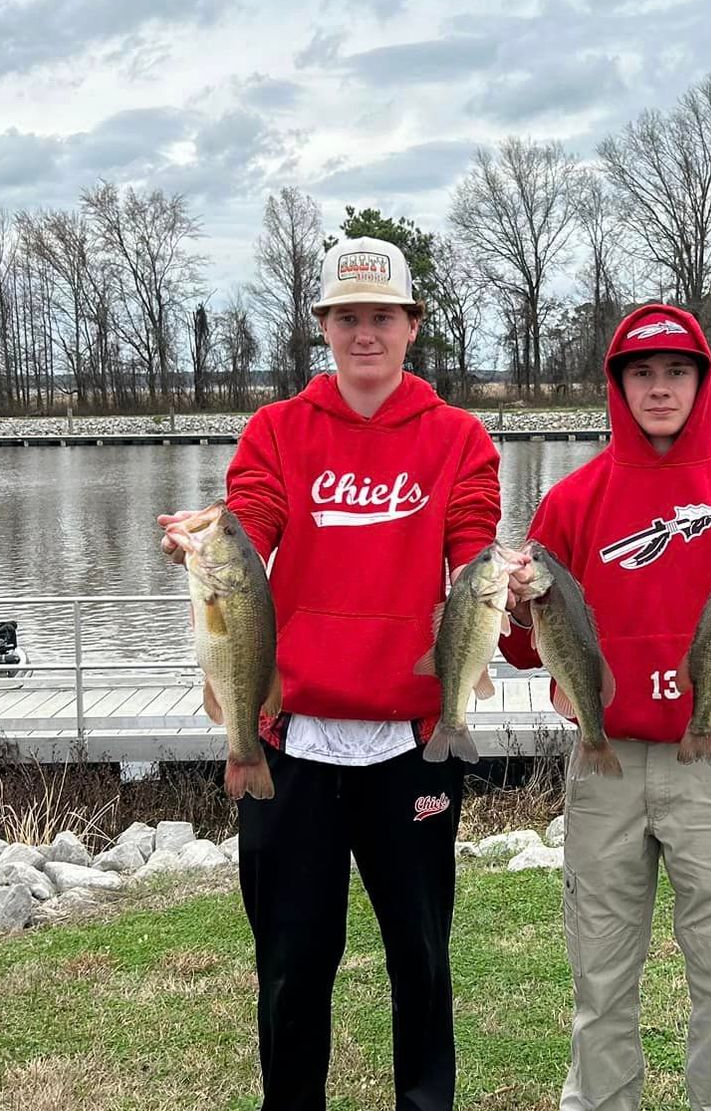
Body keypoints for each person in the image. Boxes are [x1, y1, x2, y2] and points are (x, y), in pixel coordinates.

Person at [159, 236, 501, 1111]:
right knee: (291, 960)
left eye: (382, 316)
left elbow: (472, 549)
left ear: (412, 325)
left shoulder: (459, 438)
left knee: (420, 957)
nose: (364, 333)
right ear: (323, 326)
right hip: (292, 744)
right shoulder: (277, 430)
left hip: (411, 745)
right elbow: (252, 525)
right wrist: (203, 548)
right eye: (347, 317)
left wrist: (503, 582)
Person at [499, 304, 711, 1111]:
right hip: (602, 761)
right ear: (617, 385)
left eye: (676, 371)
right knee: (601, 979)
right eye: (641, 372)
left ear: (702, 381)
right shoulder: (572, 502)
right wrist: (513, 608)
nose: (659, 388)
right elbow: (519, 649)